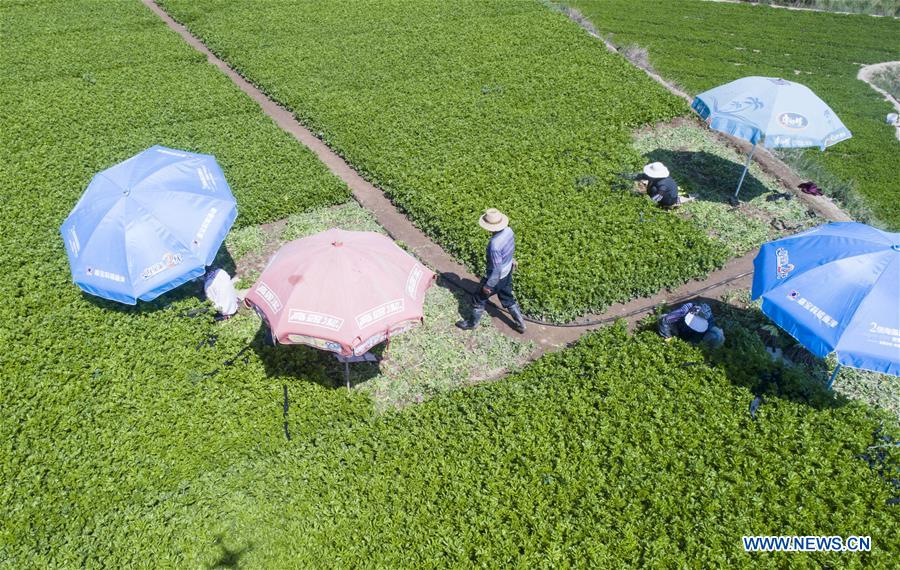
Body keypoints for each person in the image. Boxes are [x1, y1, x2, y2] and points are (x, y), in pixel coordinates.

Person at [456, 208, 527, 334]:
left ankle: (472, 324)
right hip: (507, 272)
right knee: (507, 297)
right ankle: (521, 324)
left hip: (497, 277)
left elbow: (496, 269)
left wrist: (489, 285)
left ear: (489, 227)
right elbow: (509, 249)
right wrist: (512, 260)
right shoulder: (509, 231)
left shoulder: (494, 245)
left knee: (478, 299)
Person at [623, 162, 694, 208]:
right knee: (652, 186)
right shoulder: (656, 178)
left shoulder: (663, 184)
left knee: (653, 189)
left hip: (668, 199)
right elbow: (641, 176)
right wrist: (626, 176)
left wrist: (646, 203)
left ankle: (665, 204)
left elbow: (659, 196)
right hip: (664, 193)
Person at [658, 301, 725, 348]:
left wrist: (691, 344)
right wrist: (668, 338)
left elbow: (699, 335)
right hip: (679, 328)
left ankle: (707, 351)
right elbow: (665, 320)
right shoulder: (685, 309)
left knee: (716, 336)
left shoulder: (709, 321)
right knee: (663, 318)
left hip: (692, 334)